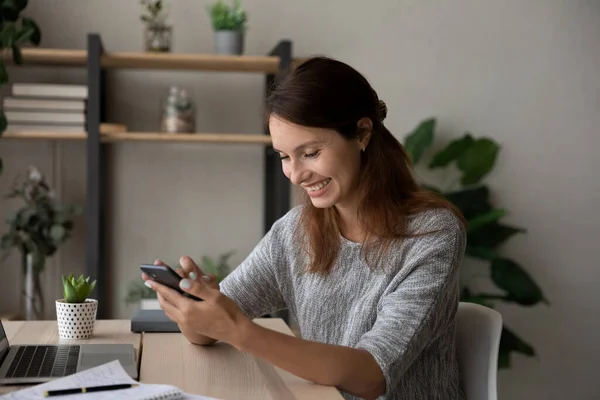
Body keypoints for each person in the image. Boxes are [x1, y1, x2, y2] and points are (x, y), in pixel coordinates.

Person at [142, 56, 467, 400]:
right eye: (284, 156)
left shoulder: (431, 235)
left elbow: (372, 376)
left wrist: (238, 329)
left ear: (362, 134)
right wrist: (200, 307)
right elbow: (206, 334)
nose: (296, 175)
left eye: (310, 152)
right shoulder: (295, 232)